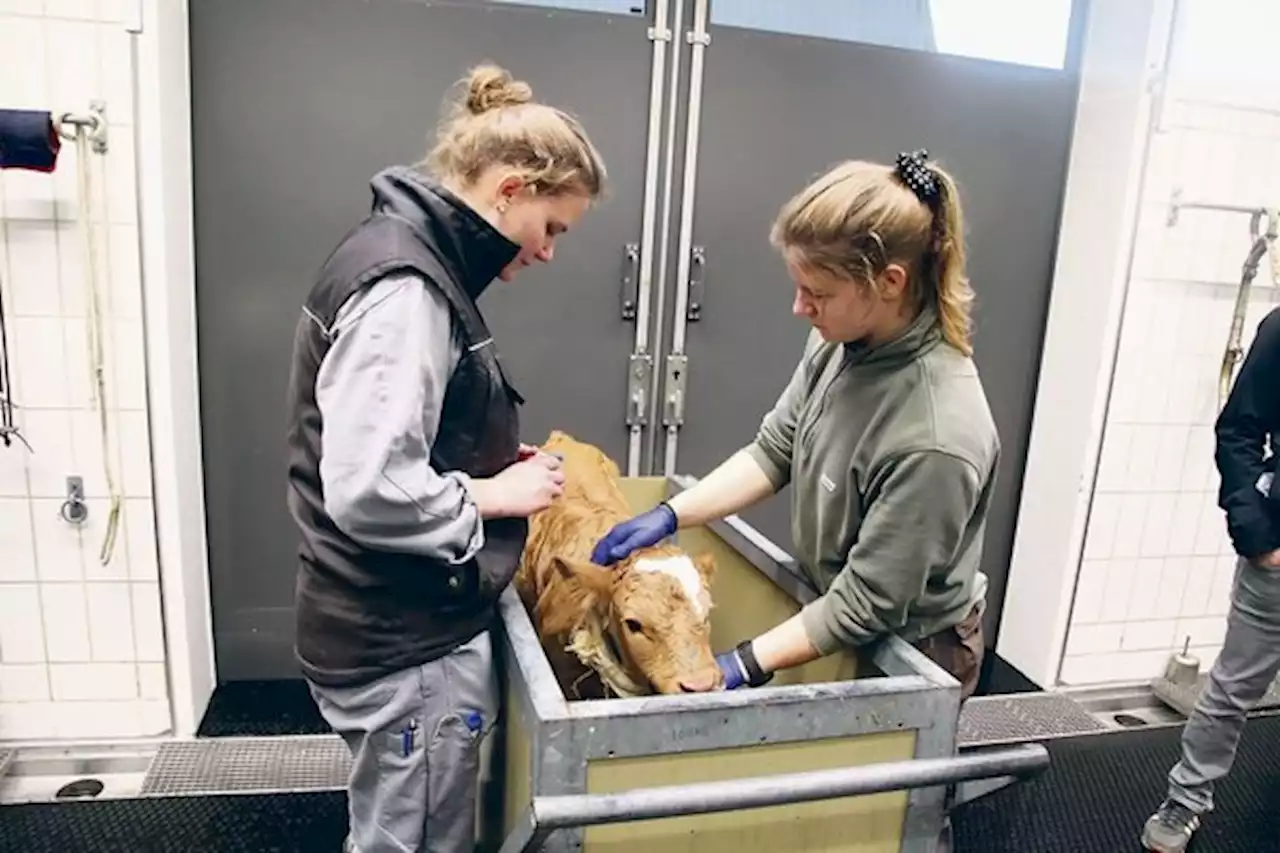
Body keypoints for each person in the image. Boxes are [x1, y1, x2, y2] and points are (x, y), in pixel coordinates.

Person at [284, 64, 606, 853]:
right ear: (509, 189)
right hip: (406, 646)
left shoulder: (400, 252)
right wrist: (497, 497)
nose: (549, 252)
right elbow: (368, 489)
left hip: (389, 628)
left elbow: (398, 439)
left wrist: (488, 462)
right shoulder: (408, 289)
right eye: (553, 226)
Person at [593, 150, 999, 700]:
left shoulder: (936, 437)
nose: (799, 307)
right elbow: (775, 451)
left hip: (915, 645)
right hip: (838, 610)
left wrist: (743, 663)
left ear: (890, 281)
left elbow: (866, 604)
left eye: (818, 293)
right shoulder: (842, 342)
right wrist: (671, 514)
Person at [1141, 305, 1280, 853]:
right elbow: (1240, 429)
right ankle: (1186, 799)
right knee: (1231, 689)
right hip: (1275, 564)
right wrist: (1258, 537)